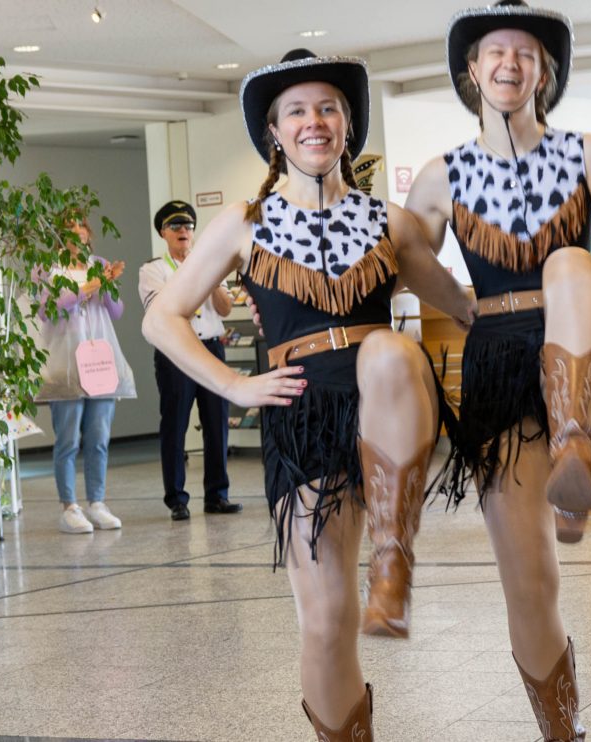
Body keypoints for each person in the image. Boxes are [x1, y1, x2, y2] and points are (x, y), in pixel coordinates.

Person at [142, 49, 474, 739]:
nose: (314, 121)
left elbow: (468, 309)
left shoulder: (390, 222)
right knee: (325, 622)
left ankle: (393, 552)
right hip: (302, 420)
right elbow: (160, 318)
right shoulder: (244, 221)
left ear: (348, 125)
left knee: (385, 348)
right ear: (273, 131)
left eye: (328, 108)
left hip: (388, 410)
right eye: (297, 110)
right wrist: (235, 383)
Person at [403, 2, 591, 737]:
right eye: (494, 53)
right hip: (498, 364)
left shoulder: (589, 151)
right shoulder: (442, 174)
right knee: (530, 581)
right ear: (471, 71)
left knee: (572, 261)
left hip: (584, 350)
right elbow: (409, 255)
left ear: (547, 72)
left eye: (527, 53)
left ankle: (577, 449)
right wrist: (459, 303)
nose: (510, 63)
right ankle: (562, 730)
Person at [138, 200, 241, 521]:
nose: (183, 232)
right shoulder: (152, 270)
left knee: (216, 424)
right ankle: (177, 498)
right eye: (176, 227)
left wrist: (208, 277)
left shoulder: (212, 262)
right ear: (162, 232)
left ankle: (217, 495)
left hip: (211, 347)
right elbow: (163, 311)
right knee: (175, 424)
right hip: (176, 352)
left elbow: (224, 309)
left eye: (188, 227)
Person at [38, 218, 131, 534]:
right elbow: (49, 308)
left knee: (99, 437)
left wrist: (103, 285)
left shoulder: (99, 265)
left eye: (80, 227)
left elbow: (116, 311)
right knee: (67, 440)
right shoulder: (48, 268)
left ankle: (97, 502)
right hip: (65, 365)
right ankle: (69, 506)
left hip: (100, 362)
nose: (75, 233)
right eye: (68, 228)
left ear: (89, 234)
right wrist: (86, 288)